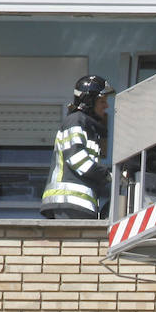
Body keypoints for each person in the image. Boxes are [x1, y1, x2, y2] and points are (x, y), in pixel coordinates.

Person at [40, 75, 113, 219]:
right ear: (89, 101)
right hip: (69, 202)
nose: (106, 106)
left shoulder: (86, 126)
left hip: (78, 205)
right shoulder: (76, 120)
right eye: (102, 101)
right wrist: (109, 175)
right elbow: (77, 159)